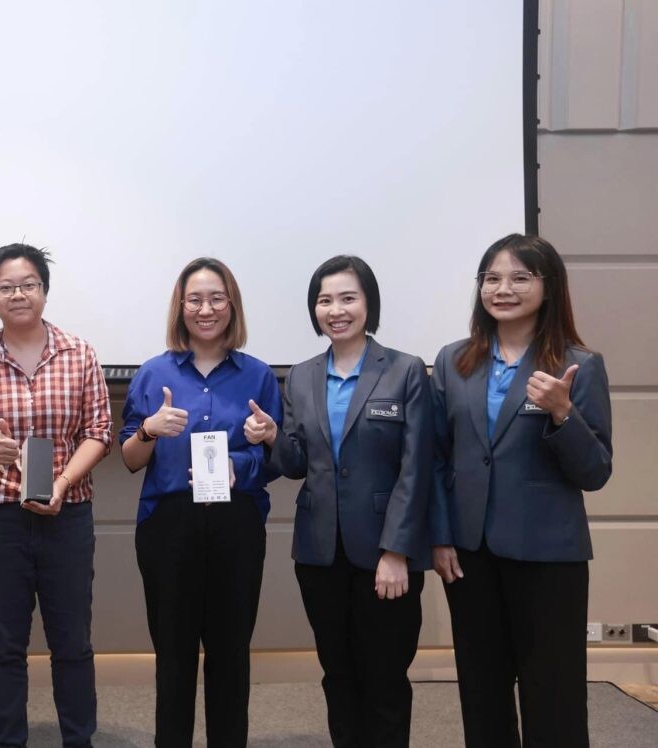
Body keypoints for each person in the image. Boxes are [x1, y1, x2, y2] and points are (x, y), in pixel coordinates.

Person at [430, 234, 612, 748]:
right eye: (491, 278)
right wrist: (440, 537)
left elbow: (596, 470)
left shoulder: (578, 363)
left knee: (552, 695)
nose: (502, 288)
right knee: (482, 694)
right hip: (470, 554)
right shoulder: (453, 360)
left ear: (548, 287)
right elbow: (438, 458)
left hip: (548, 555)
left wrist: (562, 413)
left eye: (518, 278)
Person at [245, 255, 431, 747]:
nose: (336, 309)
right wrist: (270, 438)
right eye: (324, 300)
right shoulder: (302, 376)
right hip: (319, 551)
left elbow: (417, 469)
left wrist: (397, 552)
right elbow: (298, 463)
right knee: (338, 673)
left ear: (369, 303)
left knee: (385, 678)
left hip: (385, 554)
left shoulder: (406, 371)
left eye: (348, 297)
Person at [0, 243, 112, 748]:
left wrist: (63, 483)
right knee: (3, 644)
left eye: (27, 285)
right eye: (6, 287)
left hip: (67, 515)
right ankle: (7, 740)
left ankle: (78, 739)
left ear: (44, 290)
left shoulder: (79, 352)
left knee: (73, 643)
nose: (17, 294)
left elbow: (99, 432)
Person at [119, 257, 281, 747]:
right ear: (180, 306)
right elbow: (128, 458)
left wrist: (246, 459)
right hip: (169, 526)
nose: (205, 309)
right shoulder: (153, 373)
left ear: (231, 305)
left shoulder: (258, 376)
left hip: (237, 523)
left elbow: (276, 460)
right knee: (173, 655)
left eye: (216, 298)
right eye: (194, 299)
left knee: (232, 653)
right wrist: (149, 429)